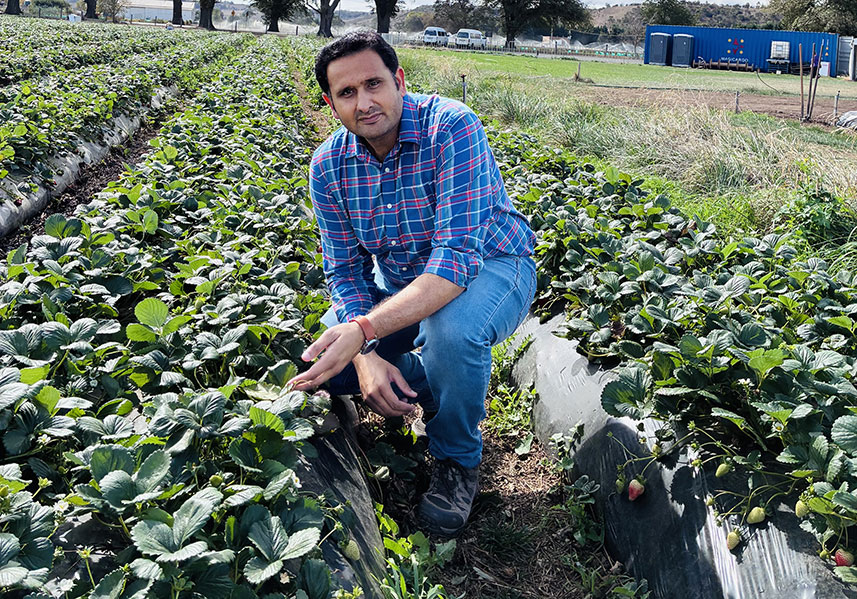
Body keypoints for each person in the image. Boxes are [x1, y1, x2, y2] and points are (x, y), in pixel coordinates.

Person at [288, 31, 536, 537]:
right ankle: (429, 383)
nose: (365, 102)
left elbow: (454, 263)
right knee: (324, 362)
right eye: (347, 92)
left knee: (452, 334)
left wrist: (364, 331)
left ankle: (457, 459)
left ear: (399, 80)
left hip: (491, 266)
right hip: (401, 283)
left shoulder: (452, 127)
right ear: (330, 103)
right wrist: (365, 354)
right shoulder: (328, 167)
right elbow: (345, 271)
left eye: (374, 84)